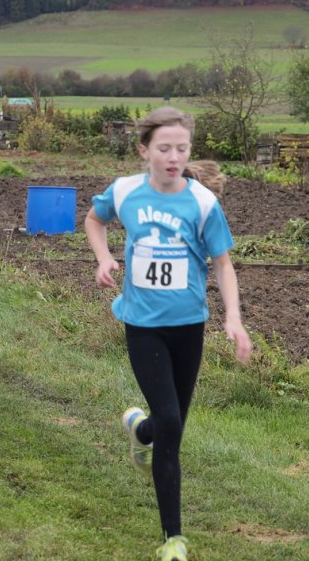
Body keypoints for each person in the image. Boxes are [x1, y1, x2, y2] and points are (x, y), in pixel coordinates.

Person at [84, 107, 252, 561]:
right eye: (164, 148)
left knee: (170, 424)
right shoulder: (125, 191)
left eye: (182, 148)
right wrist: (103, 258)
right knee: (172, 423)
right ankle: (173, 538)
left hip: (188, 327)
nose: (174, 157)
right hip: (143, 326)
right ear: (145, 150)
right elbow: (94, 220)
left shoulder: (203, 203)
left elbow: (223, 264)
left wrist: (233, 318)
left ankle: (141, 431)